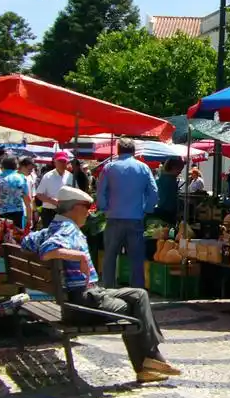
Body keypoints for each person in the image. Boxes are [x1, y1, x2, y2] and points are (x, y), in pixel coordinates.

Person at [20, 188, 176, 384]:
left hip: (77, 300)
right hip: (82, 305)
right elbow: (47, 251)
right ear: (75, 208)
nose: (89, 212)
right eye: (86, 207)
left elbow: (26, 243)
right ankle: (150, 360)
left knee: (139, 295)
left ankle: (150, 361)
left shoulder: (52, 228)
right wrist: (80, 256)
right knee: (135, 307)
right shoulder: (68, 230)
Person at [98, 138, 159, 289]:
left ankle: (108, 290)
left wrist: (104, 208)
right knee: (136, 259)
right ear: (134, 151)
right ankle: (137, 293)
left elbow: (100, 193)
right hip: (135, 219)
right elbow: (154, 193)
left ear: (118, 151)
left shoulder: (108, 168)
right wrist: (146, 210)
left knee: (110, 257)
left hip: (113, 218)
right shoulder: (143, 168)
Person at [34, 151, 74, 228]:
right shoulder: (48, 176)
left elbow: (76, 193)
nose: (62, 163)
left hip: (65, 212)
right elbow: (39, 194)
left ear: (67, 162)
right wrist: (52, 201)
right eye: (60, 161)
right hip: (49, 212)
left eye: (64, 161)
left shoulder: (70, 177)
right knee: (50, 236)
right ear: (54, 162)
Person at [0, 155, 32, 229]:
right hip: (18, 213)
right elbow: (27, 201)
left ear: (2, 166)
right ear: (16, 166)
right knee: (17, 236)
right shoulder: (22, 178)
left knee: (2, 237)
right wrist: (29, 219)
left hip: (1, 214)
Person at [154, 158, 183, 224]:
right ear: (173, 167)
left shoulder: (164, 178)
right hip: (167, 211)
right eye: (180, 169)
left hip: (165, 210)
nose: (180, 172)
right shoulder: (169, 180)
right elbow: (167, 199)